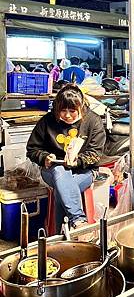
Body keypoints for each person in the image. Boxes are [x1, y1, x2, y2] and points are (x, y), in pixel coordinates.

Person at [26, 84, 106, 230]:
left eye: (72, 111)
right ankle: (78, 220)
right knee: (60, 172)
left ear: (81, 107)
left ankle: (59, 237)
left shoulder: (93, 121)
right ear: (57, 109)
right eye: (63, 110)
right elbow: (32, 149)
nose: (67, 115)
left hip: (85, 171)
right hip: (51, 170)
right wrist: (44, 157)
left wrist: (77, 162)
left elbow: (95, 154)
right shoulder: (47, 121)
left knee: (62, 190)